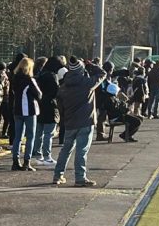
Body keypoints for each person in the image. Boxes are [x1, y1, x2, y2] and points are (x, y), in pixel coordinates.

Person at [52, 57, 103, 187]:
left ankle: (58, 175)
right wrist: (90, 64)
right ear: (82, 69)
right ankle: (80, 177)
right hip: (85, 120)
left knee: (66, 149)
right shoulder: (87, 83)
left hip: (70, 121)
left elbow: (60, 105)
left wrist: (64, 118)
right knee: (82, 150)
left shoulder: (63, 86)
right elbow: (102, 73)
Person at [10, 56, 41, 171]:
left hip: (17, 110)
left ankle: (15, 161)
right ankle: (26, 162)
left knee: (17, 137)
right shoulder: (29, 79)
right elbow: (39, 94)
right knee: (30, 136)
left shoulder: (15, 78)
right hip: (29, 110)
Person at [33, 56, 62, 166]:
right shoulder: (53, 76)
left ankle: (37, 154)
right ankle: (47, 156)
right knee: (48, 134)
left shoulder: (40, 75)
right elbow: (56, 92)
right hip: (50, 106)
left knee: (39, 132)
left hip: (40, 105)